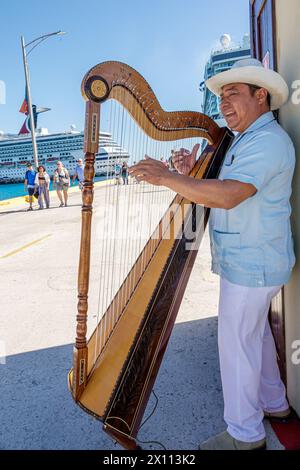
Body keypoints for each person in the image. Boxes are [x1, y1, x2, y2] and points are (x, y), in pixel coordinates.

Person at [129, 59, 295, 451]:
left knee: (236, 345)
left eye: (232, 93)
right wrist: (191, 173)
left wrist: (168, 177)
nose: (223, 104)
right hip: (251, 260)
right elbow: (219, 185)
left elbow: (232, 194)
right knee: (252, 337)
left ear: (261, 95)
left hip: (253, 263)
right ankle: (276, 404)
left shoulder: (268, 141)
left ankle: (245, 436)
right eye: (220, 97)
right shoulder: (245, 139)